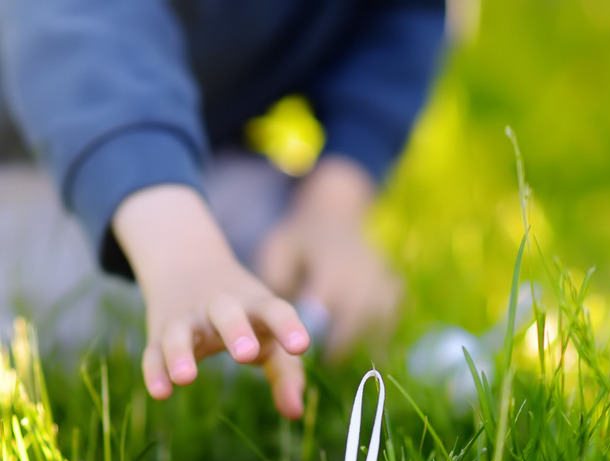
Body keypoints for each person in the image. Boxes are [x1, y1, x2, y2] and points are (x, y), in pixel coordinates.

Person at [0, 1, 446, 419]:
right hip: (41, 146)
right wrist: (185, 256)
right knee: (61, 300)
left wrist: (332, 209)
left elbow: (398, 22)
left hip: (196, 155)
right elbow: (79, 27)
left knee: (292, 278)